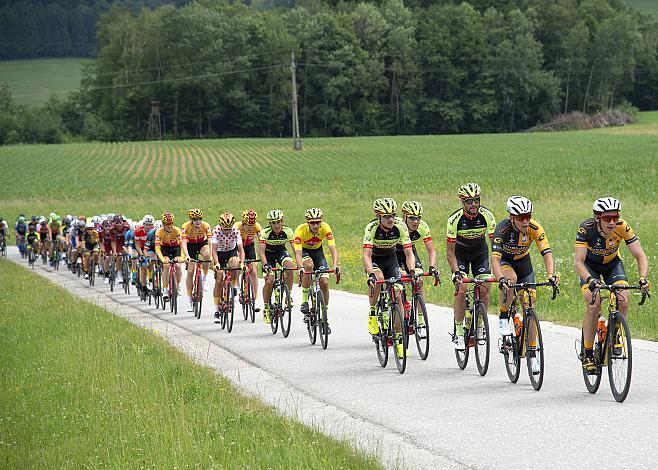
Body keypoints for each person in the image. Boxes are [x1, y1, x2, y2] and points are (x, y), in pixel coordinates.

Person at [575, 197, 651, 374]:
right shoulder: (586, 229)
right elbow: (578, 262)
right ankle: (587, 353)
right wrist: (589, 280)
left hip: (612, 265)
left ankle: (615, 335)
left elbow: (640, 255)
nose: (611, 222)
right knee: (593, 305)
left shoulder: (622, 226)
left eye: (614, 217)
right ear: (597, 218)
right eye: (607, 218)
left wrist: (642, 278)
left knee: (623, 299)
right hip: (589, 267)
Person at [491, 196, 559, 374]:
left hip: (524, 262)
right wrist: (500, 279)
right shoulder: (502, 229)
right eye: (521, 217)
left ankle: (533, 353)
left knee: (530, 303)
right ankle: (503, 316)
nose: (525, 221)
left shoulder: (535, 228)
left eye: (528, 216)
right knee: (510, 281)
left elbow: (547, 253)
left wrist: (551, 275)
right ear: (512, 217)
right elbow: (495, 260)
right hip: (505, 262)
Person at [363, 198, 415, 358]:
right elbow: (366, 254)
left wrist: (411, 270)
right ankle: (372, 312)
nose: (391, 219)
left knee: (398, 295)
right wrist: (370, 273)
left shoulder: (400, 226)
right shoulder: (372, 228)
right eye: (386, 217)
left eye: (392, 215)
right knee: (378, 279)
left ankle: (399, 340)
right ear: (378, 216)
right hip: (375, 261)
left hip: (391, 261)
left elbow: (408, 253)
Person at [446, 183, 496, 350]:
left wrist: (498, 270)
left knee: (485, 287)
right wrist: (456, 272)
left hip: (479, 254)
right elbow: (450, 252)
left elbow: (495, 246)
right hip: (460, 256)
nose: (473, 204)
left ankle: (480, 324)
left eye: (476, 200)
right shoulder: (455, 220)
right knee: (461, 289)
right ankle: (459, 332)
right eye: (469, 201)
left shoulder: (487, 216)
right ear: (463, 203)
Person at [294, 208, 339, 332]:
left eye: (318, 222)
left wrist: (335, 265)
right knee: (308, 266)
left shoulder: (325, 228)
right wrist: (300, 267)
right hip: (304, 251)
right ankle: (304, 301)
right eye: (312, 222)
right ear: (307, 222)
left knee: (324, 282)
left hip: (318, 253)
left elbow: (333, 248)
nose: (315, 225)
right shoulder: (300, 230)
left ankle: (324, 316)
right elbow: (297, 253)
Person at [259, 210, 295, 324]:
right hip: (268, 256)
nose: (276, 225)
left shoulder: (288, 231)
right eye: (273, 223)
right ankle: (266, 307)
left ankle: (288, 295)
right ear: (270, 224)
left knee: (289, 266)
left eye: (278, 222)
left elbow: (295, 248)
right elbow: (261, 252)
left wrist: (300, 264)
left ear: (282, 221)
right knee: (269, 280)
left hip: (280, 252)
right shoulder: (265, 232)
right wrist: (265, 265)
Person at [211, 212, 245, 321]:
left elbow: (241, 250)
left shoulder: (235, 230)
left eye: (229, 229)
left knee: (235, 265)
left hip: (231, 251)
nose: (227, 231)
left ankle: (234, 287)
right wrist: (216, 263)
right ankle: (216, 310)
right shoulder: (216, 231)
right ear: (221, 226)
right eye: (225, 229)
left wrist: (242, 263)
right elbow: (213, 250)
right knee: (219, 278)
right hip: (219, 254)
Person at [181, 208, 213, 312]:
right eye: (195, 219)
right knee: (190, 272)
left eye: (200, 219)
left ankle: (205, 277)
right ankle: (189, 300)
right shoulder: (185, 226)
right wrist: (187, 256)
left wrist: (211, 255)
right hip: (190, 246)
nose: (198, 221)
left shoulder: (205, 225)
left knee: (207, 255)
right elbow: (184, 243)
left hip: (201, 243)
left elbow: (209, 240)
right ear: (191, 220)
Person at [235, 209, 262, 312]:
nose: (250, 228)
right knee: (236, 265)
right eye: (248, 225)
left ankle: (255, 299)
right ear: (243, 222)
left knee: (254, 271)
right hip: (237, 247)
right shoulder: (237, 226)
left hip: (249, 247)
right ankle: (237, 288)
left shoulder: (257, 226)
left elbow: (262, 241)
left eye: (252, 225)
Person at [155, 212, 183, 300]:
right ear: (163, 225)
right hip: (165, 249)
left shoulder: (177, 230)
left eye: (171, 224)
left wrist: (182, 257)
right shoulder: (159, 232)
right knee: (166, 265)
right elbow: (157, 249)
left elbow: (182, 246)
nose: (170, 226)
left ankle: (178, 285)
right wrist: (162, 259)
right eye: (167, 224)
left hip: (176, 248)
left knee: (178, 265)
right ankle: (165, 289)